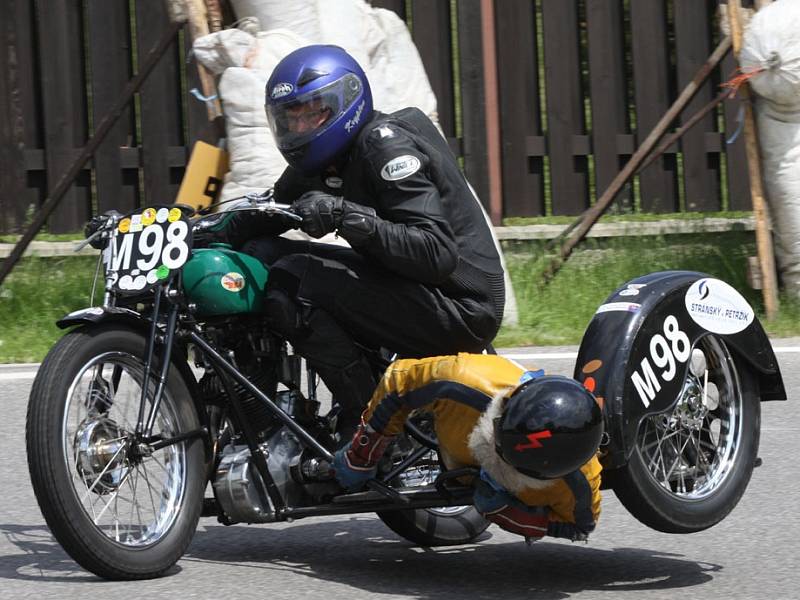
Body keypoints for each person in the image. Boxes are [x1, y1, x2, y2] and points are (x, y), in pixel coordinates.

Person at [212, 44, 506, 440]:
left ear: (345, 103)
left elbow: (436, 252)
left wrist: (343, 214)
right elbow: (269, 213)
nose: (299, 128)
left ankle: (371, 425)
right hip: (403, 284)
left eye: (311, 112)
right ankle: (258, 417)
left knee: (293, 282)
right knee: (257, 256)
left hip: (459, 304)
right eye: (290, 117)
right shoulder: (320, 161)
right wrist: (199, 228)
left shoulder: (386, 147)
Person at [333, 353, 603, 542]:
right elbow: (398, 381)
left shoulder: (579, 484)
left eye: (507, 463)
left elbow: (579, 527)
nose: (494, 457)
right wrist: (363, 451)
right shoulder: (461, 380)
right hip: (457, 420)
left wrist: (506, 511)